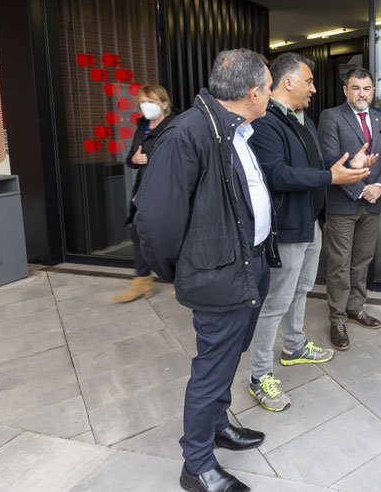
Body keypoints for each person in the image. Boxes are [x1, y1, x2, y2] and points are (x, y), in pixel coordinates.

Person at [134, 49, 274, 492]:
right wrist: (182, 274)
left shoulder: (236, 129)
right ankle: (196, 465)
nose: (270, 95)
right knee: (212, 365)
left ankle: (217, 424)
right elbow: (155, 221)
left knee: (229, 355)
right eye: (269, 88)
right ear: (253, 93)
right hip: (219, 275)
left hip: (246, 265)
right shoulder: (187, 133)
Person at [246, 53, 374, 410]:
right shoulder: (266, 121)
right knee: (276, 302)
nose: (314, 89)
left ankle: (295, 347)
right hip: (287, 227)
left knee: (302, 288)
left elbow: (315, 167)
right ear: (287, 82)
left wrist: (348, 166)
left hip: (309, 221)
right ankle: (259, 377)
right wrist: (330, 177)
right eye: (309, 82)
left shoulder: (300, 118)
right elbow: (278, 175)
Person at [318, 68, 381, 350]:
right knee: (339, 263)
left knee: (362, 260)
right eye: (355, 88)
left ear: (373, 91)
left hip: (373, 202)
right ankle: (337, 318)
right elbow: (328, 158)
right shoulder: (331, 116)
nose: (361, 93)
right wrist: (359, 187)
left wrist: (379, 187)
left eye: (366, 88)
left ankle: (355, 308)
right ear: (345, 90)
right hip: (343, 202)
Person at [112, 84, 174, 303]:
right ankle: (142, 281)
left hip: (167, 191)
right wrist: (135, 160)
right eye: (143, 103)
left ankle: (182, 281)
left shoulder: (173, 126)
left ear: (164, 104)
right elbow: (131, 158)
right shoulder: (143, 127)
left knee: (172, 235)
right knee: (137, 232)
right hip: (143, 189)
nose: (146, 107)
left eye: (151, 102)